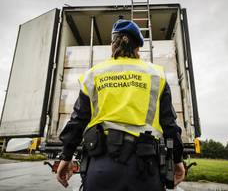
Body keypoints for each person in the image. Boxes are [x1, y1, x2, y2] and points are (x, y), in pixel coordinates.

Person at [56, 19, 185, 191]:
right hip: (144, 168)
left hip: (100, 167)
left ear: (112, 44)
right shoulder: (156, 76)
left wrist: (66, 158)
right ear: (138, 47)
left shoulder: (94, 75)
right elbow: (169, 125)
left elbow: (78, 121)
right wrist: (178, 160)